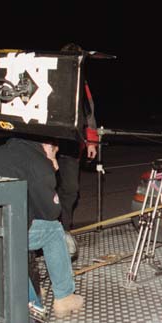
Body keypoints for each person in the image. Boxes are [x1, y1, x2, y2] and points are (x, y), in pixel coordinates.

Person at [0, 137, 85, 318]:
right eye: (55, 152)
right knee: (53, 230)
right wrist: (51, 170)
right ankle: (64, 297)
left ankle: (31, 289)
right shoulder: (39, 162)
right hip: (10, 231)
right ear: (48, 146)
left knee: (25, 223)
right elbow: (51, 212)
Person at [56, 44, 99, 254]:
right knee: (43, 189)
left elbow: (89, 112)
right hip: (48, 145)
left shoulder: (82, 83)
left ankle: (64, 230)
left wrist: (92, 142)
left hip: (71, 146)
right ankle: (44, 231)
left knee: (70, 189)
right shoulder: (53, 77)